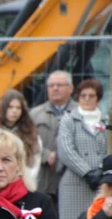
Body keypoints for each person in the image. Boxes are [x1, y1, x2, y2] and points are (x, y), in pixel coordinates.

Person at [57, 78, 108, 219]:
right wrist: (87, 172)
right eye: (83, 95)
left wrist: (103, 172)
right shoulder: (69, 119)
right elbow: (66, 149)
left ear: (98, 99)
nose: (87, 100)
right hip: (76, 182)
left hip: (102, 182)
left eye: (92, 96)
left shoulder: (107, 120)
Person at [30, 71, 77, 202]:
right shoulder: (35, 114)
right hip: (43, 177)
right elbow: (27, 140)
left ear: (70, 88)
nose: (55, 88)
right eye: (51, 86)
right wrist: (46, 155)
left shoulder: (79, 113)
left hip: (71, 177)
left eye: (59, 85)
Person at [0, 89, 42, 189]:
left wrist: (27, 181)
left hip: (23, 184)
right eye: (10, 107)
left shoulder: (31, 134)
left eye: (18, 108)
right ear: (3, 108)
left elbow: (36, 160)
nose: (14, 111)